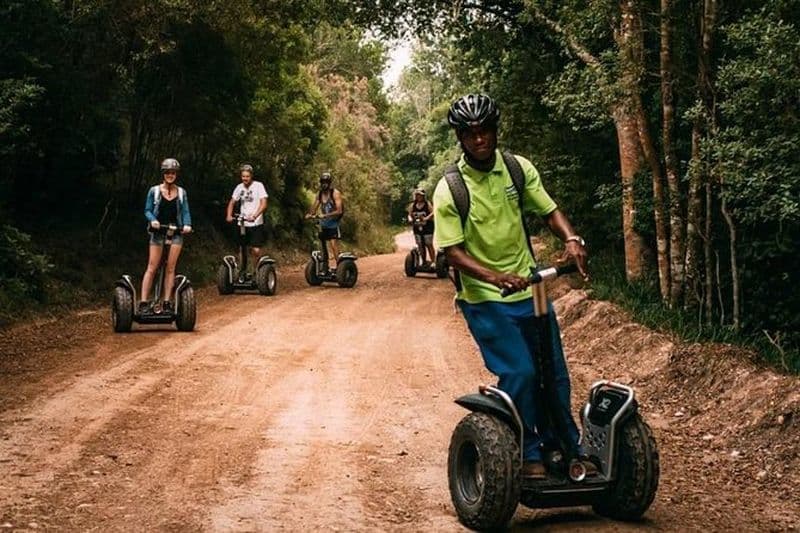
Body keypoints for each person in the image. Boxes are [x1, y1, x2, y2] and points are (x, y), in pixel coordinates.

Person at [433, 93, 589, 479]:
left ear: (495, 129)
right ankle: (527, 450)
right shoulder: (451, 189)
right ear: (460, 138)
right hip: (485, 298)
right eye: (469, 133)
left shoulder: (518, 170)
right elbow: (451, 252)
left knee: (553, 373)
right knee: (520, 372)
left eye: (485, 130)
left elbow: (549, 210)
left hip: (531, 291)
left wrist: (571, 238)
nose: (479, 139)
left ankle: (566, 445)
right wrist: (495, 277)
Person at [141, 158, 192, 314]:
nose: (170, 175)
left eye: (173, 173)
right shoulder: (154, 191)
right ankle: (143, 302)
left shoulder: (182, 192)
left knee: (170, 268)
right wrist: (153, 220)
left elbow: (185, 212)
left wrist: (187, 224)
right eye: (168, 172)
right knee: (152, 266)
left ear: (176, 174)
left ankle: (167, 302)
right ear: (163, 174)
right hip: (157, 232)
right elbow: (147, 210)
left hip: (175, 232)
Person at [226, 163, 269, 282]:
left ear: (251, 176)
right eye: (243, 176)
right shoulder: (239, 187)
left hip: (256, 223)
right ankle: (242, 271)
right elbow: (232, 202)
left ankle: (256, 272)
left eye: (247, 176)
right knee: (242, 248)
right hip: (242, 223)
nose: (245, 179)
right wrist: (229, 215)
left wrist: (255, 215)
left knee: (255, 250)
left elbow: (264, 203)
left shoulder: (258, 186)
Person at [304, 171, 343, 272]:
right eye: (322, 182)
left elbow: (339, 211)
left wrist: (325, 215)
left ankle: (340, 267)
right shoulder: (320, 194)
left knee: (333, 245)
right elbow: (315, 206)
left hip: (333, 224)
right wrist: (310, 214)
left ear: (329, 183)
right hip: (324, 224)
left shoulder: (335, 193)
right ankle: (325, 265)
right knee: (322, 244)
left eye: (326, 182)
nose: (324, 184)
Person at [407, 188, 435, 265]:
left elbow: (433, 213)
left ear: (423, 196)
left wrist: (426, 218)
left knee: (428, 243)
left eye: (421, 195)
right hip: (417, 227)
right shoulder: (413, 205)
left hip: (428, 227)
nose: (419, 197)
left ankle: (433, 262)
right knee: (420, 244)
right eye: (417, 195)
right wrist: (410, 219)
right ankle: (423, 261)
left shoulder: (427, 204)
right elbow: (409, 214)